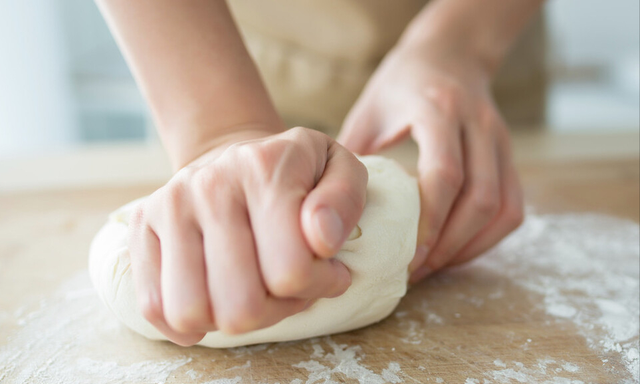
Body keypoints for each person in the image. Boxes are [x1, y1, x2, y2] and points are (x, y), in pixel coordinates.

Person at [96, 0, 542, 346]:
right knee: (214, 214)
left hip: (475, 52)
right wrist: (219, 132)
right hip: (211, 53)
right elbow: (216, 140)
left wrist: (461, 41)